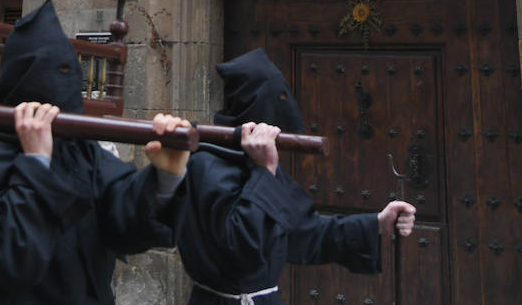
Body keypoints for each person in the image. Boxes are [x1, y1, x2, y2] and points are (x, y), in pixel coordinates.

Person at [0, 0, 191, 305]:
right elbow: (6, 259)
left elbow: (123, 217)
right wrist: (36, 163)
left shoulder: (82, 150)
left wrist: (165, 177)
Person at [171, 48, 416, 304]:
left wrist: (377, 223)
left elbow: (306, 233)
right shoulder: (205, 166)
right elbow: (241, 248)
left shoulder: (257, 166)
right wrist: (265, 170)